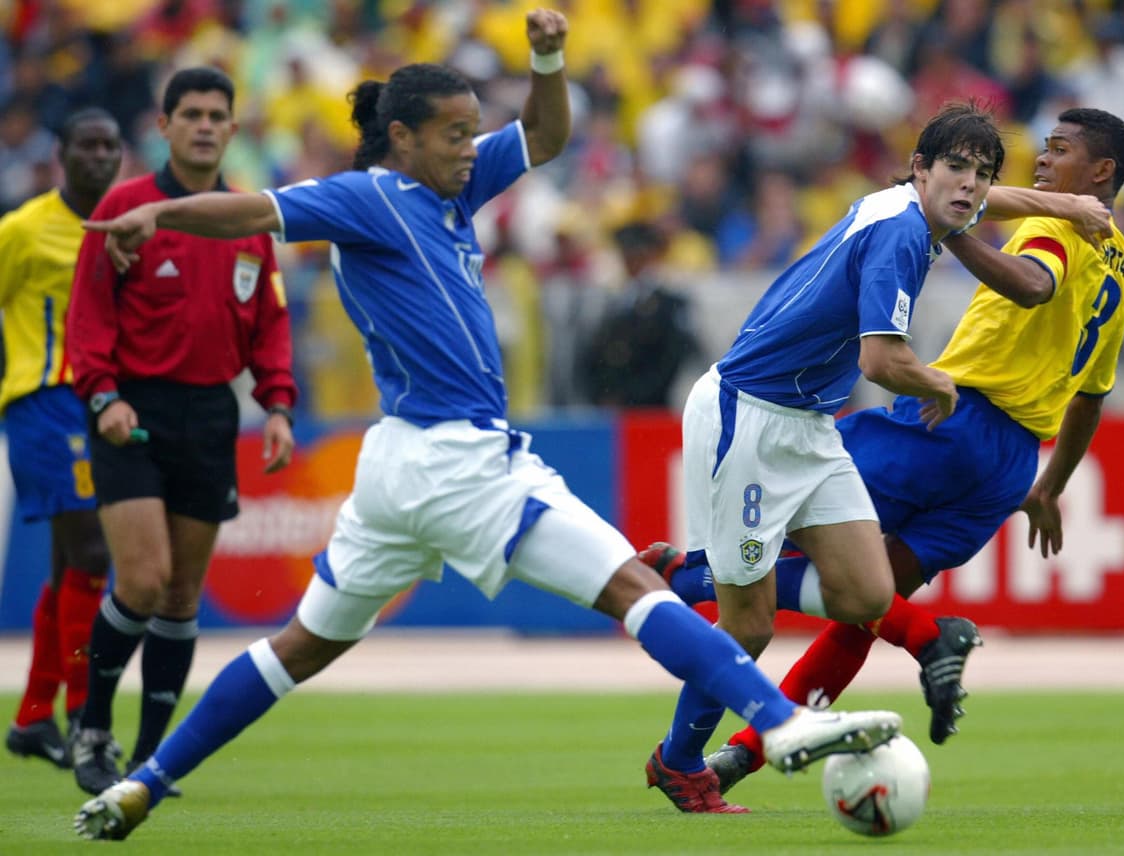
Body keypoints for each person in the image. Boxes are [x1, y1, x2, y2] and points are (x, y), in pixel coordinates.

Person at [72, 10, 902, 840]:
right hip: (456, 458)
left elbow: (544, 133)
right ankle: (781, 721)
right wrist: (161, 216)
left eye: (473, 131)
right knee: (631, 585)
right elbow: (253, 211)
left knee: (302, 647)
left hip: (398, 466)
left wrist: (547, 58)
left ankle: (144, 782)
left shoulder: (452, 188)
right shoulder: (370, 196)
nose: (472, 147)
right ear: (400, 136)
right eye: (455, 134)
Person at [653, 107, 1124, 802]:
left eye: (1058, 151)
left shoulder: (1050, 231)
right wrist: (1050, 485)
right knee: (858, 602)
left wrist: (974, 222)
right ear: (925, 169)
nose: (1040, 160)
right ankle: (739, 750)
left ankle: (692, 579)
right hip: (1010, 463)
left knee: (827, 595)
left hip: (950, 422)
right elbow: (1090, 397)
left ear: (1102, 172)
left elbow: (1026, 283)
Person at [641, 100, 1007, 814]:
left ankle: (690, 574)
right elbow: (880, 358)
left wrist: (1065, 205)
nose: (969, 186)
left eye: (983, 175)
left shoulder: (906, 209)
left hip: (809, 427)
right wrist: (935, 380)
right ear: (920, 170)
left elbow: (988, 203)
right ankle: (678, 762)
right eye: (956, 168)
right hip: (746, 416)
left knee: (868, 595)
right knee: (747, 625)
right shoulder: (904, 235)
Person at [65, 66, 298, 797]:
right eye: (189, 113)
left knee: (180, 596)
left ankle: (149, 759)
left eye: (216, 114)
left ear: (233, 129)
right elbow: (88, 316)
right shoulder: (127, 209)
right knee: (140, 578)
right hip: (132, 410)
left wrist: (280, 405)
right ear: (162, 127)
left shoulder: (245, 220)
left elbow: (270, 322)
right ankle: (91, 728)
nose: (203, 124)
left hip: (210, 413)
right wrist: (103, 396)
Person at [1, 108, 122, 769]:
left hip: (103, 403)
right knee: (94, 553)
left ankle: (30, 720)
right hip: (45, 400)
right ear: (62, 154)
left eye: (110, 146)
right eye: (87, 145)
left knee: (68, 564)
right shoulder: (22, 230)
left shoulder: (127, 225)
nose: (99, 157)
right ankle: (84, 719)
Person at [580, 221, 700, 408]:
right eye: (626, 256)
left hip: (652, 409)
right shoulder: (614, 301)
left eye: (637, 256)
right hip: (614, 407)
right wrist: (601, 394)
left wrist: (633, 396)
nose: (630, 262)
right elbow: (596, 354)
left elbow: (671, 359)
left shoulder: (670, 303)